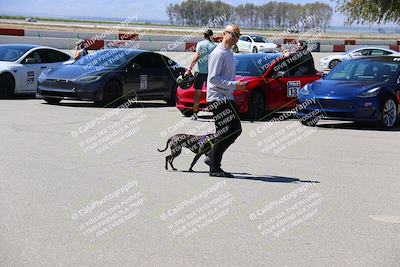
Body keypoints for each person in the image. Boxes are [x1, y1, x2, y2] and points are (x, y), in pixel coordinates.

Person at [205, 24, 248, 178]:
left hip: (226, 97)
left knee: (234, 129)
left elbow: (225, 77)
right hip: (218, 98)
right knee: (228, 130)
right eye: (233, 34)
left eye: (238, 34)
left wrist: (236, 84)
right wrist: (235, 85)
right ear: (224, 34)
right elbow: (213, 79)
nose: (236, 37)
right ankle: (214, 165)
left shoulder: (229, 53)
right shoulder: (219, 54)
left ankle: (212, 157)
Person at [185, 29, 217, 120]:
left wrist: (189, 69)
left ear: (204, 36)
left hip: (199, 72)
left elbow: (196, 57)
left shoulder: (200, 44)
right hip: (210, 73)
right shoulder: (214, 46)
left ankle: (195, 114)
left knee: (197, 94)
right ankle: (215, 114)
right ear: (211, 36)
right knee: (211, 94)